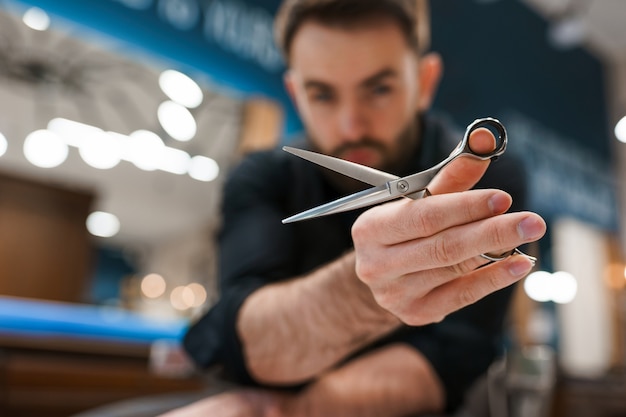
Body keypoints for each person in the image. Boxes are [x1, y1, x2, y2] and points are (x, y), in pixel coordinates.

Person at [163, 0, 547, 415]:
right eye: (322, 94)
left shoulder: (483, 174)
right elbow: (242, 337)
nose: (351, 125)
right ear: (295, 92)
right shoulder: (262, 177)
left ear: (425, 81)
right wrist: (362, 290)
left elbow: (453, 359)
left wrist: (291, 412)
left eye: (379, 89)